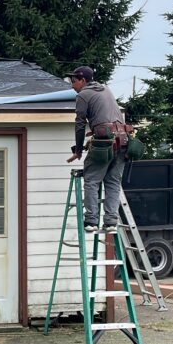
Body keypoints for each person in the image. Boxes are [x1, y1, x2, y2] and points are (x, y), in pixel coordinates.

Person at [65, 66, 128, 232]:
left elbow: (80, 125)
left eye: (74, 81)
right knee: (113, 182)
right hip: (123, 141)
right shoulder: (106, 89)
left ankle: (91, 221)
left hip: (104, 142)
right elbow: (106, 121)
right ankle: (111, 222)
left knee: (92, 180)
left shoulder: (83, 95)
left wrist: (78, 150)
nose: (72, 86)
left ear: (83, 80)